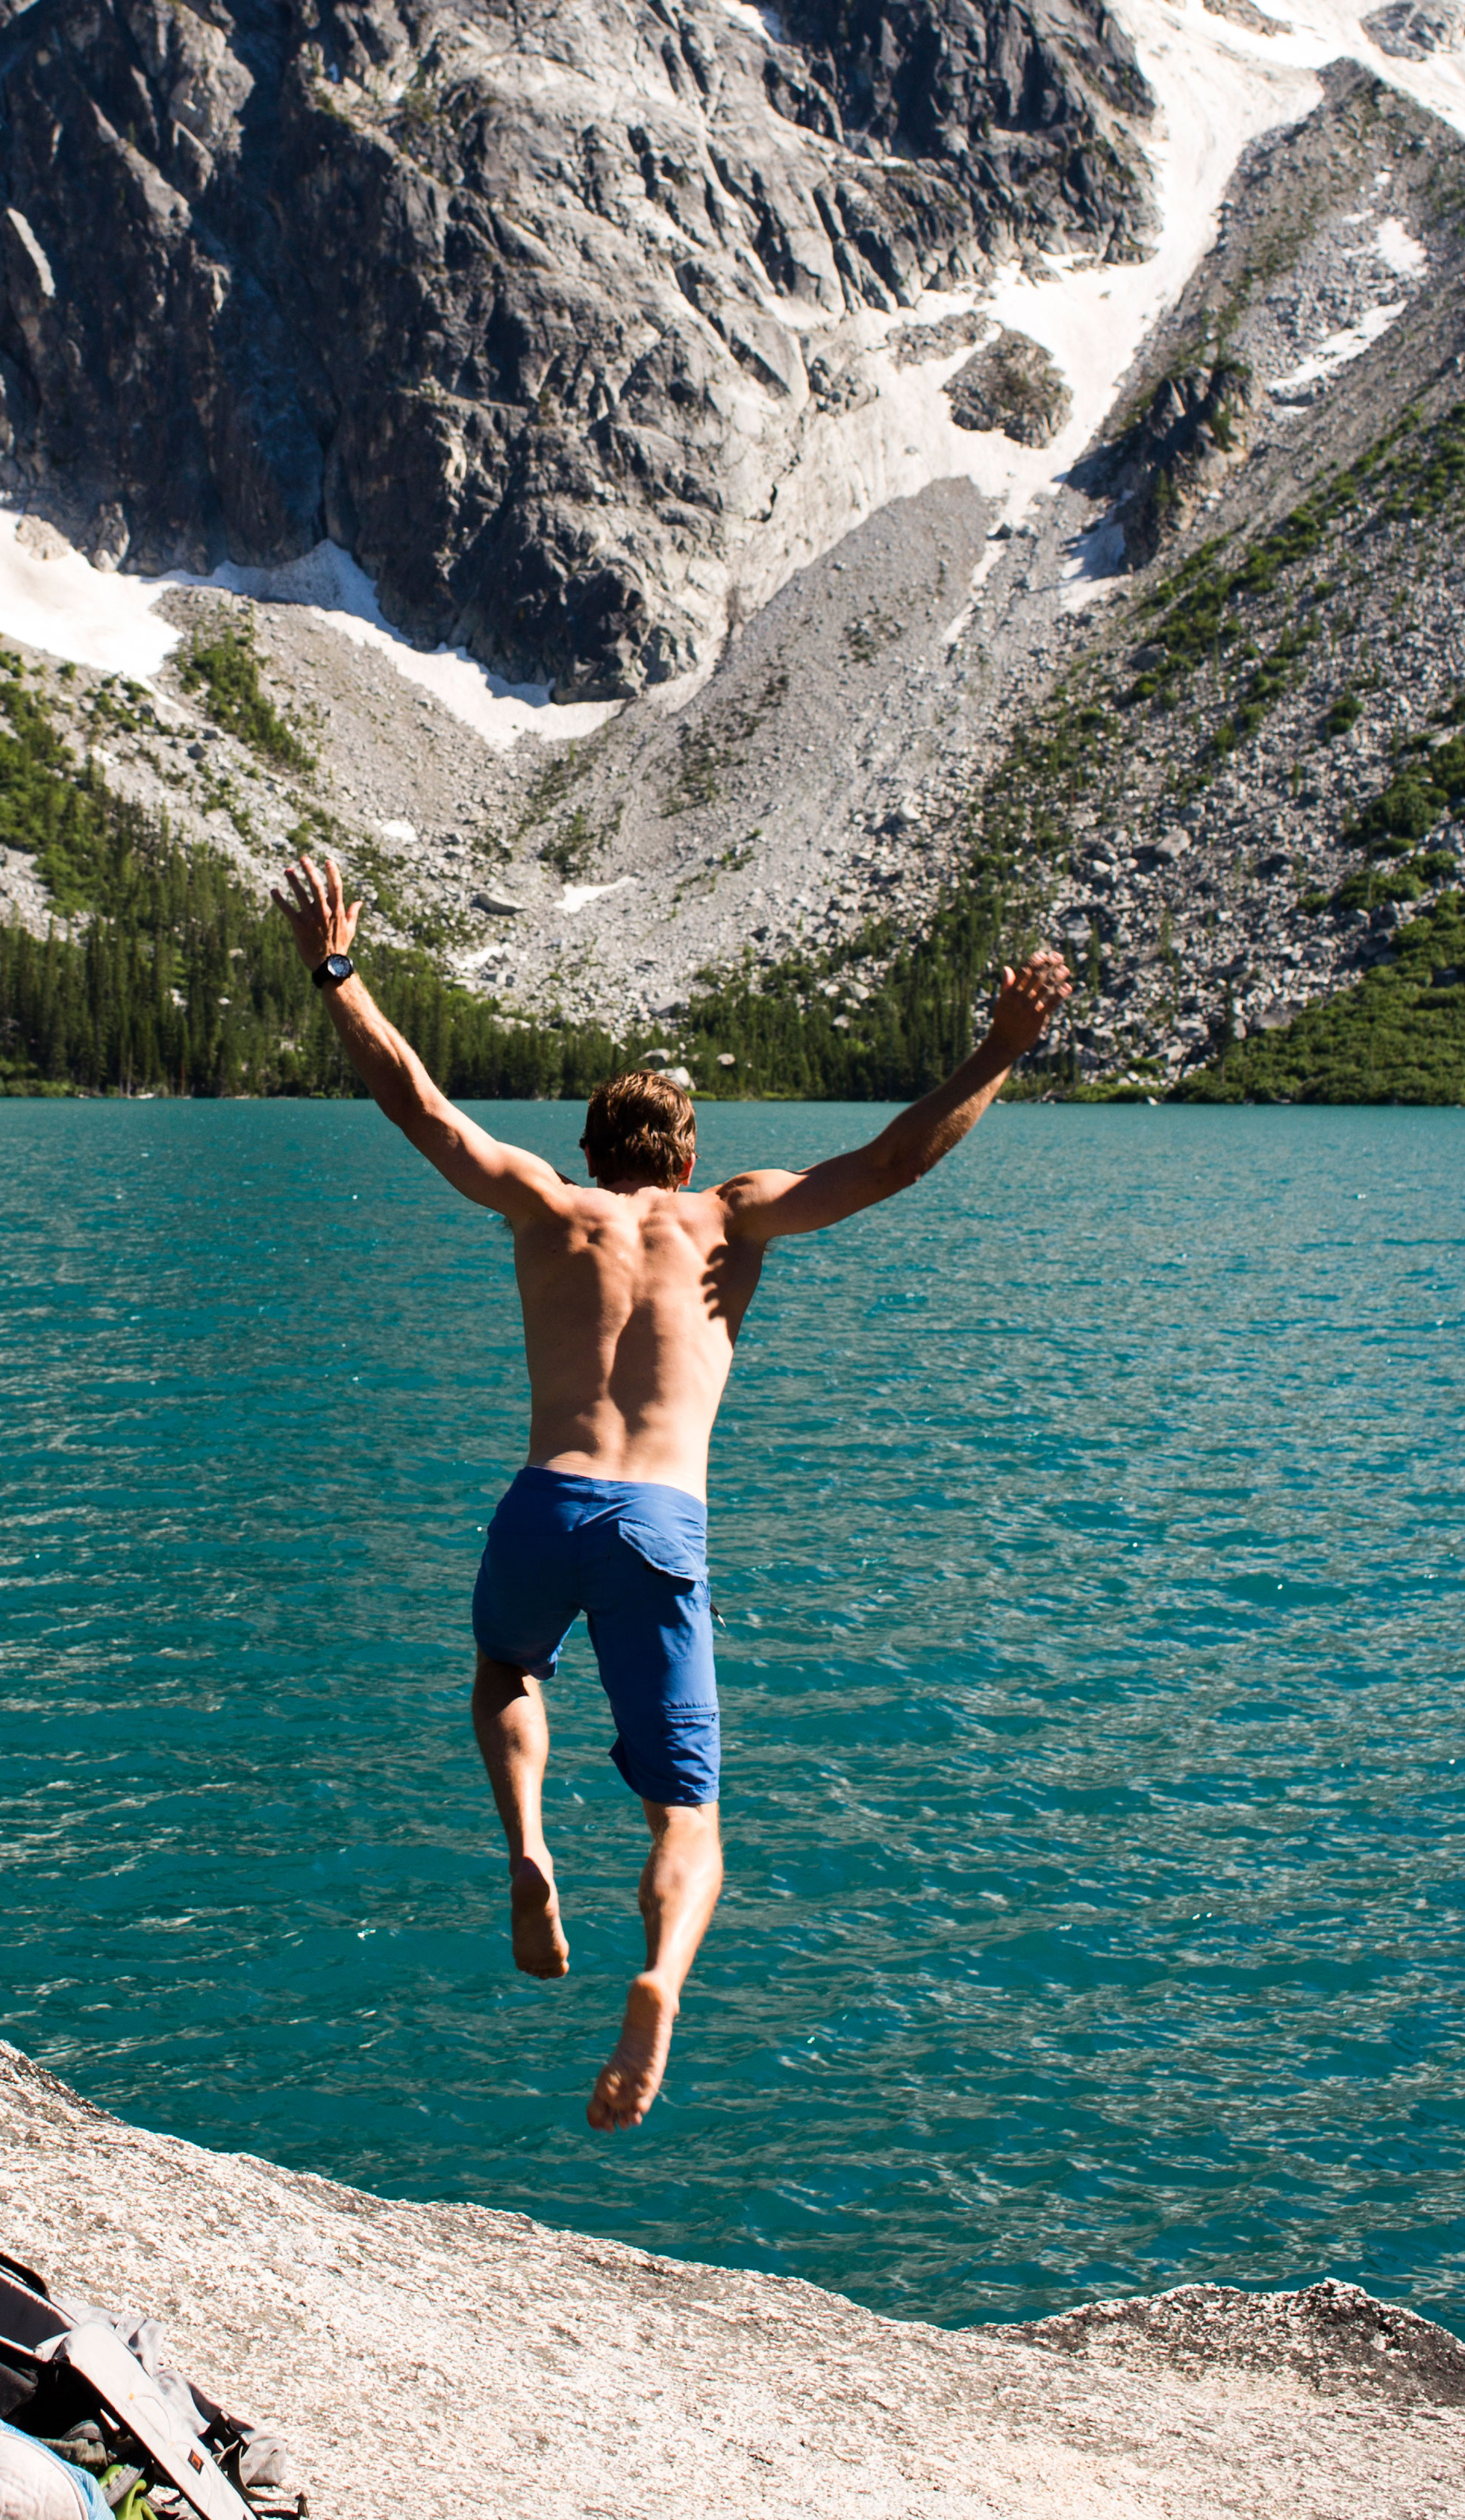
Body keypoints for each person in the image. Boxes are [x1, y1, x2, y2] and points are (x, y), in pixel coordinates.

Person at [276, 851, 1072, 2134]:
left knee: (506, 1677)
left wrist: (337, 970)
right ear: (687, 1151)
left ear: (593, 1146)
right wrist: (996, 1051)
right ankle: (657, 1975)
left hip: (546, 1498)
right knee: (686, 1813)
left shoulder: (546, 1203)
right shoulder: (732, 1218)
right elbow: (887, 1167)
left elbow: (419, 1105)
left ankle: (528, 1845)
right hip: (661, 1519)